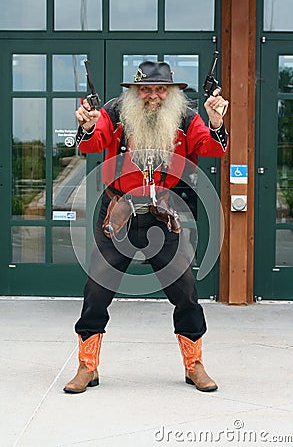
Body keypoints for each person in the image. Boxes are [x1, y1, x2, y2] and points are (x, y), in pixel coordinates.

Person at [63, 61, 229, 394]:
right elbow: (91, 145)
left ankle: (194, 364)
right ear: (135, 91)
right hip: (117, 215)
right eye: (145, 89)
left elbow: (211, 148)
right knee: (96, 291)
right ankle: (87, 366)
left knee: (185, 291)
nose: (152, 96)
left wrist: (216, 122)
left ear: (172, 92)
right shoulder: (114, 111)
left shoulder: (186, 117)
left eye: (160, 89)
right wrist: (86, 125)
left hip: (163, 216)